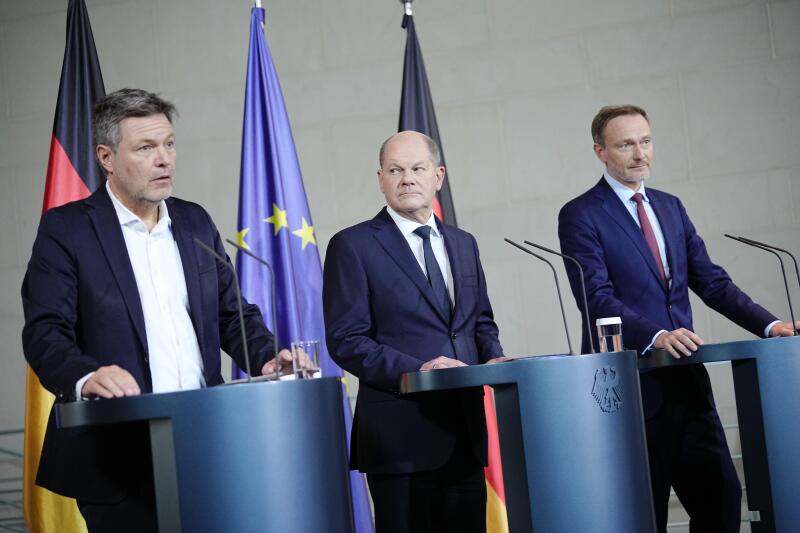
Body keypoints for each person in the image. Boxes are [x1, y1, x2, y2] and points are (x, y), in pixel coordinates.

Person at [21, 88, 291, 532]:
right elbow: (45, 331)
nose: (164, 158)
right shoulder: (67, 230)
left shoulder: (195, 221)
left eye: (168, 143)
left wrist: (266, 355)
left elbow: (231, 315)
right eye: (146, 148)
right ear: (106, 157)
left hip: (203, 442)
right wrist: (86, 376)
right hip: (118, 456)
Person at [558, 104, 799, 532]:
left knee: (722, 500)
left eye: (646, 141)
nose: (640, 153)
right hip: (630, 391)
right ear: (601, 152)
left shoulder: (669, 207)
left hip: (687, 385)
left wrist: (770, 325)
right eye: (626, 144)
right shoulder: (581, 214)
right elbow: (596, 299)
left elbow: (711, 282)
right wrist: (657, 334)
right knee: (641, 514)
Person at [323, 131, 506, 533]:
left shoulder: (463, 243)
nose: (407, 178)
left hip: (464, 436)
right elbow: (346, 340)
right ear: (381, 179)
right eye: (395, 170)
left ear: (437, 176)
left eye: (417, 169)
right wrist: (418, 368)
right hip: (400, 441)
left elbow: (480, 321)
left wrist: (493, 356)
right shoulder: (352, 246)